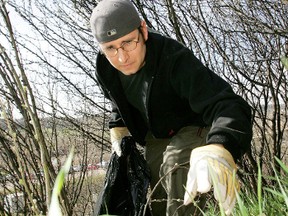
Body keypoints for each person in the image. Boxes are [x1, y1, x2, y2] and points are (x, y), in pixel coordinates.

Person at [90, 0, 252, 215]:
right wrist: (117, 125)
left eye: (129, 42)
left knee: (176, 167)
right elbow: (117, 100)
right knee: (158, 196)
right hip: (157, 132)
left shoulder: (174, 59)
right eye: (110, 48)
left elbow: (228, 104)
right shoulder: (105, 68)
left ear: (144, 31)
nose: (122, 57)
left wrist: (221, 146)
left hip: (194, 124)